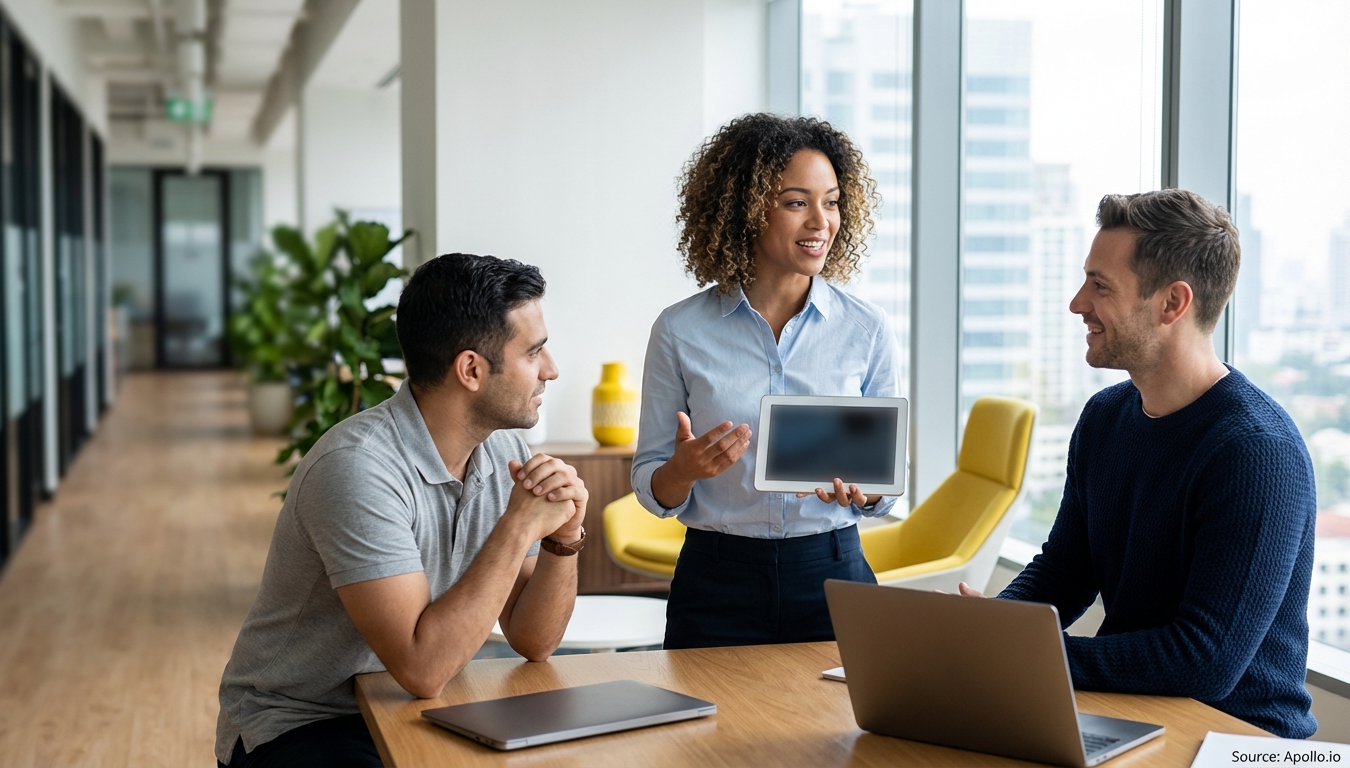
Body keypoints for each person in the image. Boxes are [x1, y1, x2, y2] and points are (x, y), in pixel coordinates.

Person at [959, 189, 1317, 738]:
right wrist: (985, 632)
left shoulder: (1256, 452)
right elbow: (1065, 570)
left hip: (1240, 738)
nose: (1078, 303)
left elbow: (1205, 660)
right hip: (1136, 716)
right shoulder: (1105, 417)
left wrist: (1029, 657)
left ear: (1173, 303)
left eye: (1100, 286)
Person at [215, 254, 590, 767]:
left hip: (418, 705)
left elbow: (533, 639)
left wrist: (563, 539)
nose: (551, 370)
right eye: (534, 352)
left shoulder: (507, 455)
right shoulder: (357, 468)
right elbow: (423, 666)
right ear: (472, 370)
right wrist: (519, 523)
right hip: (303, 721)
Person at [631, 113, 901, 650]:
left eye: (832, 201)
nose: (821, 222)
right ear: (747, 209)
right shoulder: (679, 330)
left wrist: (869, 493)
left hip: (833, 571)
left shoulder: (866, 329)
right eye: (797, 202)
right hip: (716, 578)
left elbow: (890, 482)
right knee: (705, 733)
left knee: (841, 732)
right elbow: (649, 480)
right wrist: (680, 473)